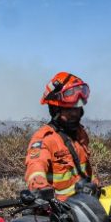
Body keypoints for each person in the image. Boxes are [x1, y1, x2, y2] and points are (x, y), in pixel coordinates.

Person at [24, 72, 100, 200]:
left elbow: (85, 170)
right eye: (69, 110)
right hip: (59, 212)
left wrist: (95, 185)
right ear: (56, 110)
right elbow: (35, 166)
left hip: (85, 205)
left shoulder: (80, 134)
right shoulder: (45, 139)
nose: (75, 113)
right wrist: (40, 188)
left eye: (77, 108)